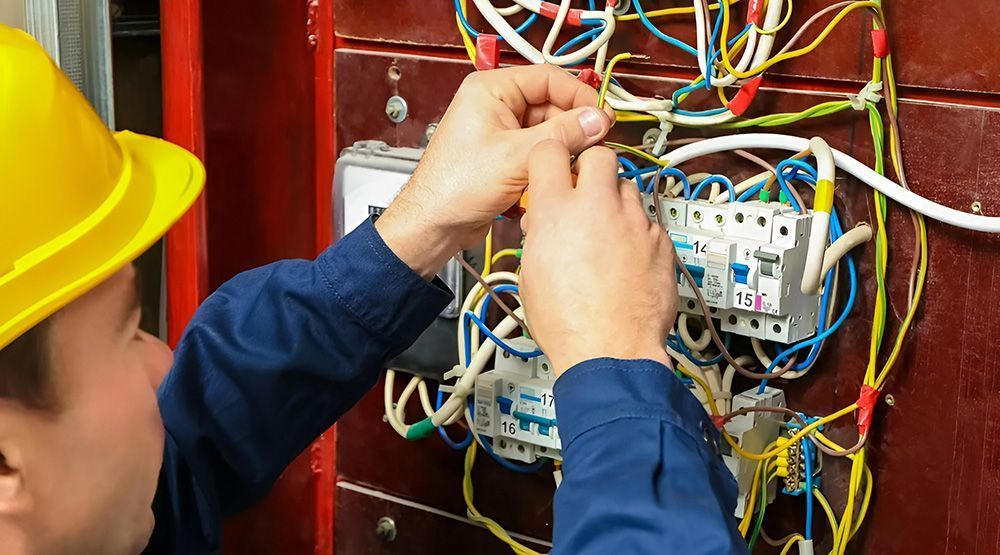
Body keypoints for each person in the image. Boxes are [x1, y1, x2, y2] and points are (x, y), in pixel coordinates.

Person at [0, 25, 742, 554]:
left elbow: (194, 432)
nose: (162, 364)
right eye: (128, 333)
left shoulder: (81, 513)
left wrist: (417, 226)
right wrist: (613, 362)